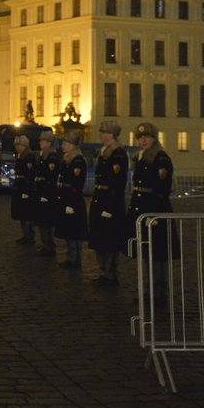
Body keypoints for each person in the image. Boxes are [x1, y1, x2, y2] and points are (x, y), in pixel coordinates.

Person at [127, 122, 177, 304]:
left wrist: (155, 213)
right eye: (140, 138)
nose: (143, 140)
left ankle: (158, 292)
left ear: (154, 138)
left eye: (147, 137)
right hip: (141, 207)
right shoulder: (141, 157)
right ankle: (148, 291)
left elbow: (162, 188)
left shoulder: (160, 158)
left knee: (157, 255)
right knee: (146, 253)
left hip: (155, 209)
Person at [87, 121, 128, 286]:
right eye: (101, 132)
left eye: (107, 133)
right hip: (100, 198)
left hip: (110, 201)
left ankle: (111, 274)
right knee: (99, 237)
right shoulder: (105, 152)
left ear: (114, 135)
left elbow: (117, 182)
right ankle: (104, 271)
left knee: (109, 240)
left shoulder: (117, 154)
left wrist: (109, 206)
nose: (103, 136)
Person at [54, 130, 88, 269]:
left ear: (72, 145)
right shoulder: (68, 158)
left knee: (74, 231)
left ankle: (75, 259)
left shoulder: (77, 160)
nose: (62, 146)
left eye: (65, 143)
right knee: (69, 230)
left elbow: (77, 184)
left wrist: (71, 203)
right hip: (66, 198)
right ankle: (71, 258)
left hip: (73, 199)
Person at [34, 130, 60, 257]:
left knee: (47, 221)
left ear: (48, 143)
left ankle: (49, 246)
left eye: (42, 141)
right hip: (41, 191)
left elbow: (51, 177)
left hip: (47, 193)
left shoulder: (52, 157)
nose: (40, 143)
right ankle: (46, 245)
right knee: (42, 221)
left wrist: (45, 194)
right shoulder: (44, 155)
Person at [11, 135, 37, 245]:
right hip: (20, 186)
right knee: (21, 213)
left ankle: (29, 236)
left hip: (26, 188)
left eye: (20, 145)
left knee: (26, 214)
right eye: (16, 145)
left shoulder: (28, 157)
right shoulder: (21, 156)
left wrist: (27, 191)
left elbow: (30, 175)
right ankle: (26, 235)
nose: (18, 147)